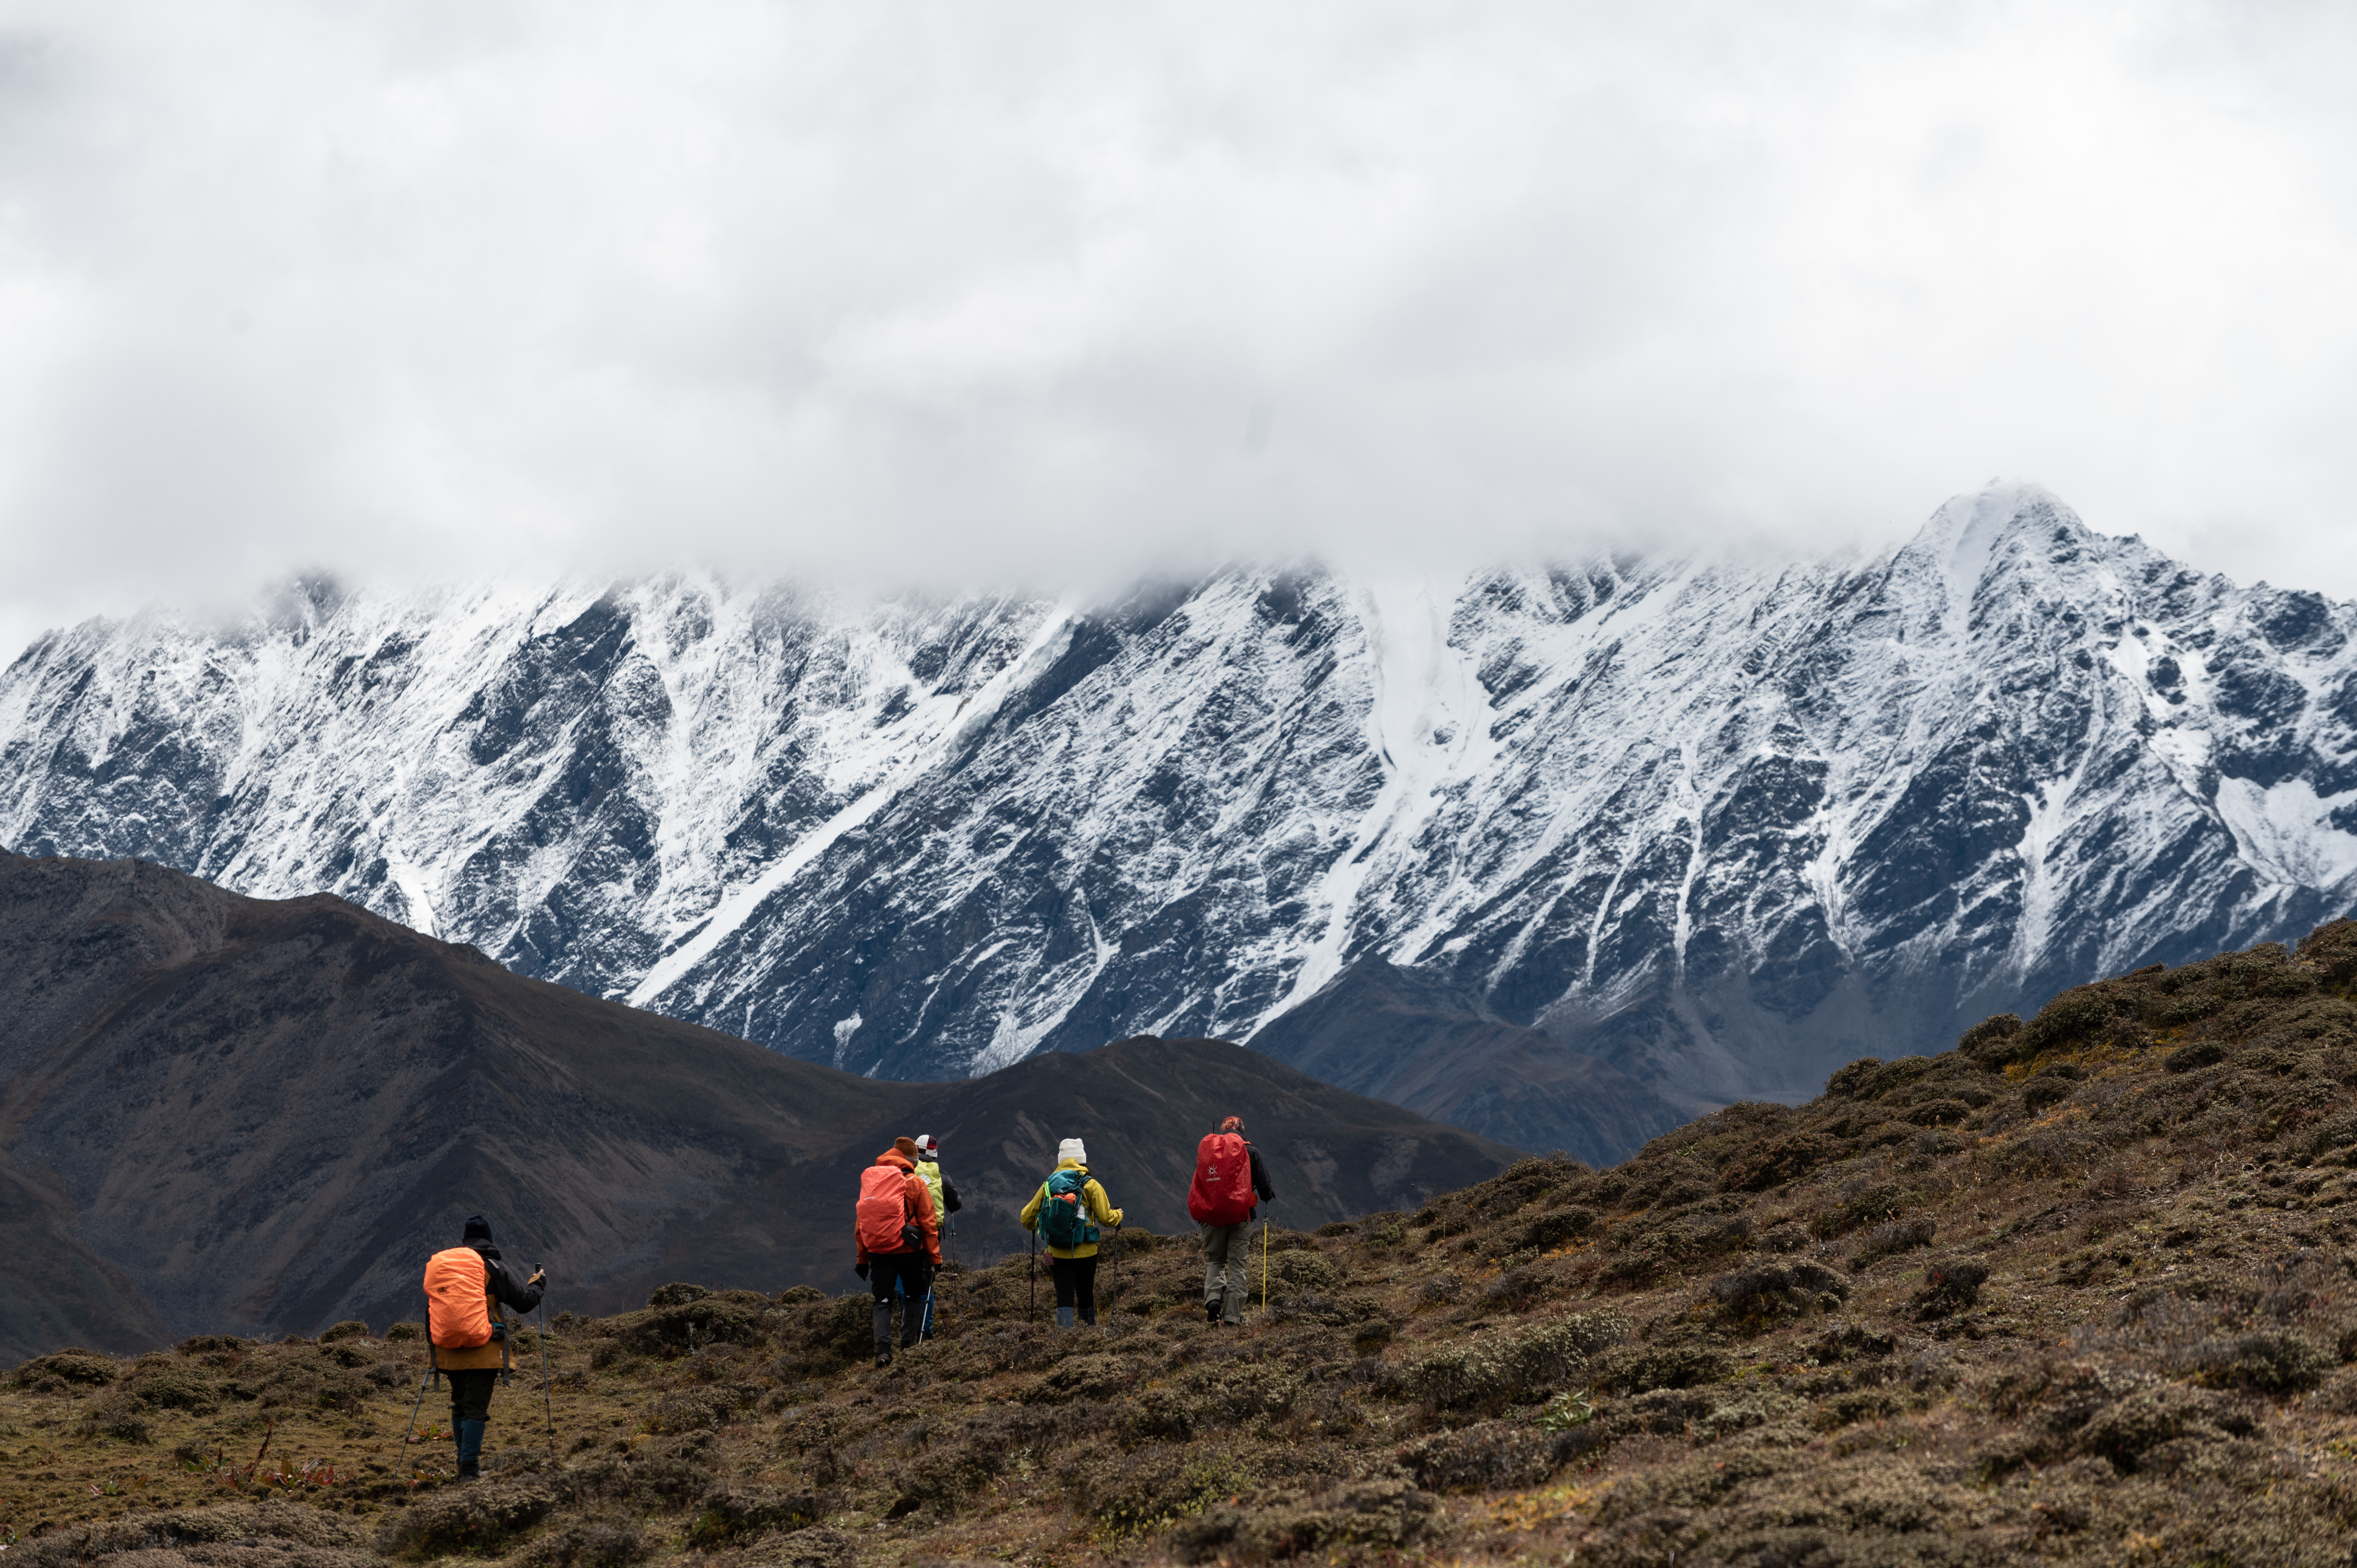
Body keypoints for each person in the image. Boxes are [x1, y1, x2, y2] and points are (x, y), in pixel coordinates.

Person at [422, 1214, 545, 1480]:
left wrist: (434, 1344)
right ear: (489, 1239)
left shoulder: (447, 1268)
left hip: (448, 1348)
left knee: (459, 1404)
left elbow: (432, 1309)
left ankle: (462, 1465)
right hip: (485, 1346)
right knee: (476, 1408)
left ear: (464, 1241)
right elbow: (523, 1303)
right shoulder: (492, 1266)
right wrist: (538, 1285)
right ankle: (469, 1472)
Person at [854, 1136, 940, 1368]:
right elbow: (928, 1223)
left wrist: (863, 1259)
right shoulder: (914, 1183)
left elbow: (862, 1222)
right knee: (913, 1294)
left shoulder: (872, 1181)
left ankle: (883, 1352)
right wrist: (935, 1258)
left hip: (878, 1250)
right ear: (911, 1161)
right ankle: (908, 1347)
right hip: (909, 1250)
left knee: (882, 1299)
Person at [1019, 1137, 1124, 1328]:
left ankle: (1065, 1339)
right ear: (1081, 1160)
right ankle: (1089, 1333)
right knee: (1085, 1293)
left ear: (1061, 1161)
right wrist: (1119, 1215)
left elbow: (1026, 1218)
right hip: (1086, 1251)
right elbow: (1106, 1219)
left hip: (1057, 1251)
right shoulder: (1091, 1185)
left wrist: (1043, 1224)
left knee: (1063, 1295)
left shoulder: (1048, 1186)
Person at [1191, 1115, 1276, 1325]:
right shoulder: (1250, 1151)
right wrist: (1267, 1195)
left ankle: (1213, 1301)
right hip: (1241, 1216)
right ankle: (1232, 1318)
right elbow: (1264, 1186)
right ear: (1241, 1131)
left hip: (1212, 1217)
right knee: (1238, 1266)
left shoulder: (1209, 1153)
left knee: (1215, 1261)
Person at [906, 1134, 961, 1340]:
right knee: (927, 1282)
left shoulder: (907, 1172)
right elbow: (955, 1204)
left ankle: (908, 1328)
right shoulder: (942, 1176)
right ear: (935, 1155)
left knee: (906, 1278)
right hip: (931, 1235)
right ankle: (925, 1331)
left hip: (906, 1233)